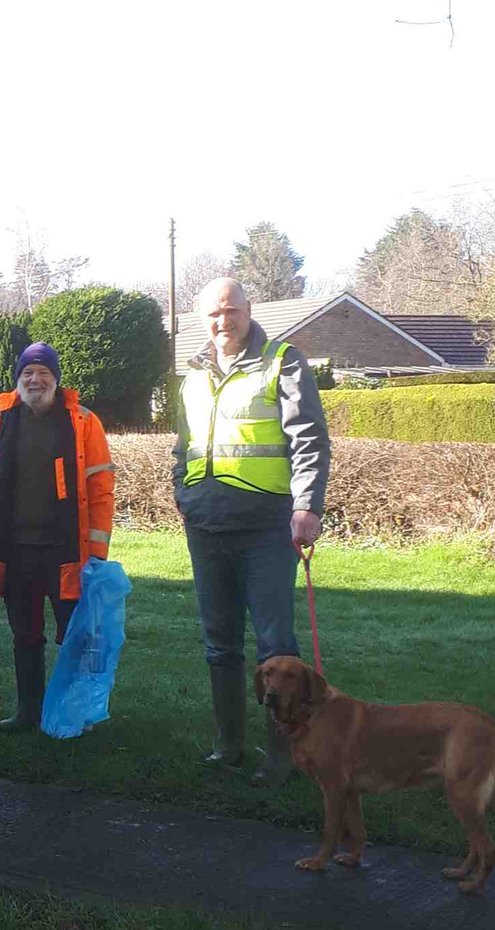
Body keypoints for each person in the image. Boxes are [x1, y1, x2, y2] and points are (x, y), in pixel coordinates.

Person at [173, 277, 330, 786]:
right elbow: (183, 447)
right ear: (203, 319)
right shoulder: (192, 375)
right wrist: (183, 495)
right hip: (206, 525)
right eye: (213, 314)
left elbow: (308, 439)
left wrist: (306, 507)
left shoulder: (283, 361)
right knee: (219, 643)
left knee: (275, 646)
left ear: (248, 309)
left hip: (266, 527)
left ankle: (284, 757)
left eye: (231, 310)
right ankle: (229, 746)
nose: (223, 321)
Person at [0, 343, 116, 731]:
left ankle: (74, 714)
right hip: (15, 548)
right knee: (25, 634)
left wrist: (97, 551)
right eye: (28, 373)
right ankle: (28, 711)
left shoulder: (83, 422)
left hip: (67, 549)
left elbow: (101, 488)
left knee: (75, 635)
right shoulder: (2, 422)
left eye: (43, 373)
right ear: (18, 379)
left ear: (56, 379)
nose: (35, 380)